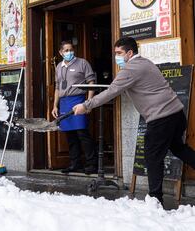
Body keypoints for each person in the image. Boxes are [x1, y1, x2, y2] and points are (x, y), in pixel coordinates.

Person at [73, 36, 195, 205]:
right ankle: (156, 198)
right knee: (178, 148)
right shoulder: (145, 62)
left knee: (153, 157)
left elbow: (112, 91)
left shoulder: (130, 69)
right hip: (176, 113)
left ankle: (155, 200)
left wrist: (86, 106)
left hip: (161, 118)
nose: (116, 57)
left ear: (129, 53)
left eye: (119, 53)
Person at [52, 40, 98, 175]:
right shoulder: (59, 66)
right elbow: (57, 87)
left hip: (78, 99)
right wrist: (55, 105)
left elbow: (91, 82)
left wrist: (89, 102)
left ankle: (92, 164)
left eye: (71, 49)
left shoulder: (82, 63)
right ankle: (75, 163)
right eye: (66, 50)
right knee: (70, 135)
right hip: (64, 102)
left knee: (82, 133)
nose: (69, 52)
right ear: (61, 52)